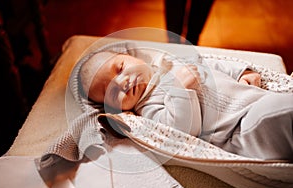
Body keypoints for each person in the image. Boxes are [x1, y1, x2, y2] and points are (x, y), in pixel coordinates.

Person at [79, 44, 293, 161]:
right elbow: (184, 129)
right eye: (112, 92)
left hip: (255, 99)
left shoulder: (173, 64)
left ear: (133, 57)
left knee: (280, 105)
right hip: (241, 129)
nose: (122, 82)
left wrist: (241, 73)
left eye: (119, 68)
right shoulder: (148, 109)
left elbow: (213, 64)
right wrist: (179, 89)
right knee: (279, 113)